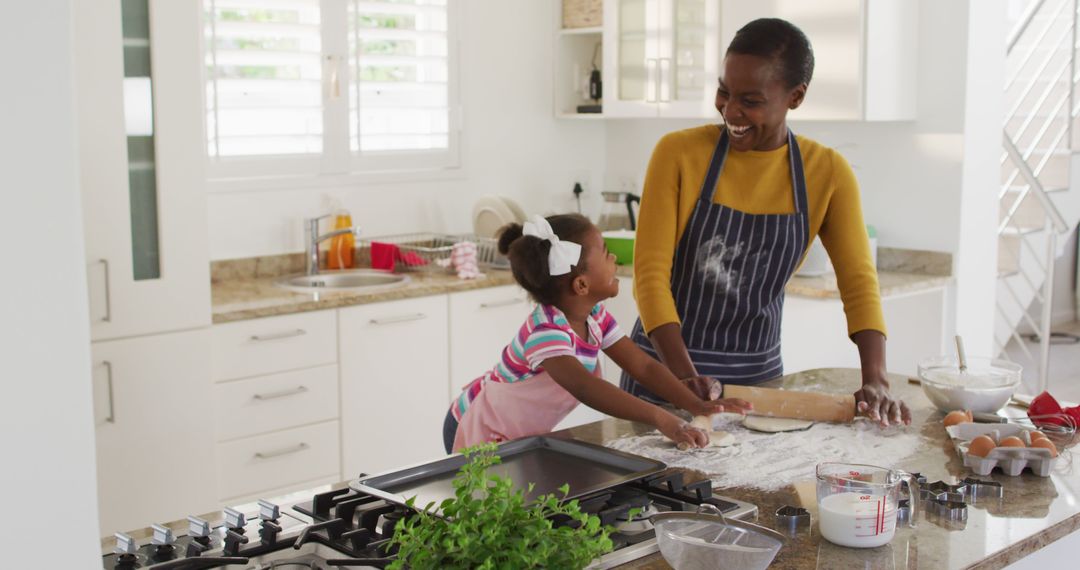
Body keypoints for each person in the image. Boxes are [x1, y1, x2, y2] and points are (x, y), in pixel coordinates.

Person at [620, 18, 912, 427]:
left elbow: (859, 282)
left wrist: (876, 379)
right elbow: (649, 277)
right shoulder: (678, 154)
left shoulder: (826, 172)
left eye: (751, 100)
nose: (730, 110)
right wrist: (682, 377)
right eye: (724, 91)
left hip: (758, 386)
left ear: (796, 97)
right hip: (663, 379)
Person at [443, 214, 751, 453]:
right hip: (477, 427)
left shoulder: (594, 317)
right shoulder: (546, 332)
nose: (614, 259)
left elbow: (642, 365)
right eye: (605, 253)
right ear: (581, 285)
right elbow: (586, 387)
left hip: (517, 433)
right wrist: (661, 417)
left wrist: (694, 405)